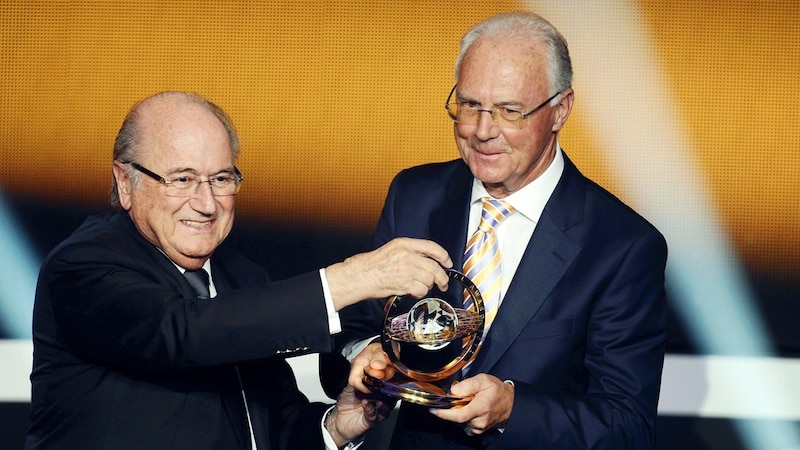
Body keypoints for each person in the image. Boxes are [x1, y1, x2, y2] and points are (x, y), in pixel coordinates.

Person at [26, 91, 453, 449]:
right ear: (125, 182)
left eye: (221, 179)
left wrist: (338, 426)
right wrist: (351, 279)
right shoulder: (82, 267)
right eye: (182, 179)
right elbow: (183, 332)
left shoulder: (242, 279)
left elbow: (269, 429)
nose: (206, 202)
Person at [344, 11, 668, 449]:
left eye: (509, 111)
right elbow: (355, 327)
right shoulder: (415, 196)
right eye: (470, 105)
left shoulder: (622, 246)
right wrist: (366, 353)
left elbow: (627, 426)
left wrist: (514, 409)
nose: (481, 131)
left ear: (560, 110)